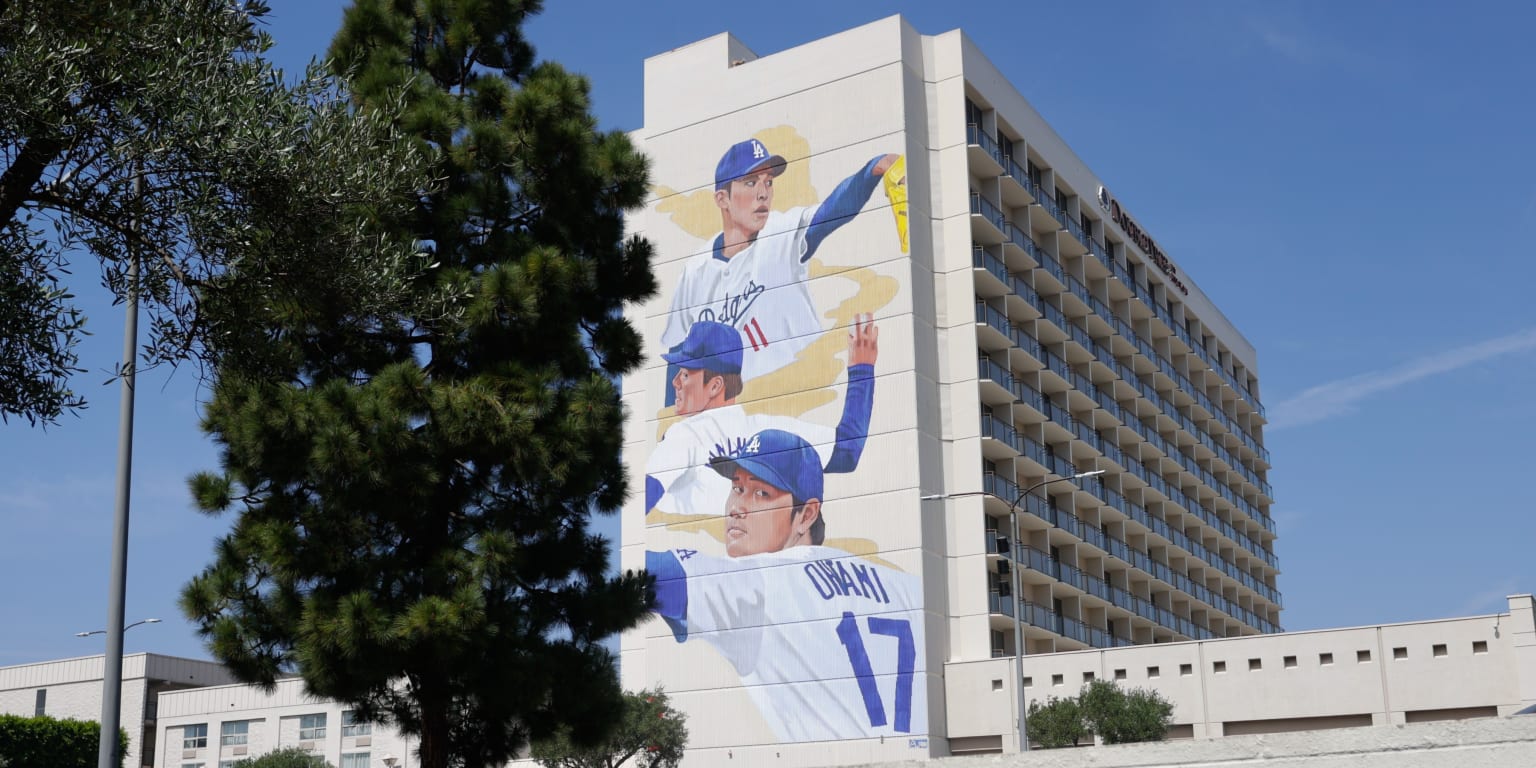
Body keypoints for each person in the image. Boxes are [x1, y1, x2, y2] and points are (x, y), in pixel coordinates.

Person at [646, 429, 926, 743]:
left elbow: (642, 575)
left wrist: (658, 473)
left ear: (806, 515)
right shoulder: (907, 588)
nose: (738, 506)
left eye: (761, 493)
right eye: (737, 488)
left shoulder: (765, 581)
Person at [660, 137, 899, 384]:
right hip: (742, 410)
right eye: (750, 182)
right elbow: (677, 357)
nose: (763, 193)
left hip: (808, 389)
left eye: (768, 182)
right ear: (722, 199)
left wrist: (874, 169)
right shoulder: (694, 271)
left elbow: (835, 209)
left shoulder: (782, 231)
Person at [644, 315, 878, 518]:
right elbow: (846, 453)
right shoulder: (768, 432)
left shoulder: (686, 434)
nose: (675, 382)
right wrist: (861, 371)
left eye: (685, 375)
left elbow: (641, 496)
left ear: (715, 386)